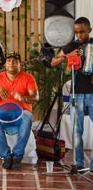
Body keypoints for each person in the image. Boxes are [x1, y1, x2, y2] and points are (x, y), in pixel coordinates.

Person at [50, 17, 93, 173]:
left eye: (82, 32)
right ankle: (79, 163)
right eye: (76, 32)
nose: (79, 35)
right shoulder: (71, 45)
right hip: (77, 92)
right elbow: (53, 62)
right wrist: (68, 55)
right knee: (78, 131)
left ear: (90, 30)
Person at [0, 52, 38, 169]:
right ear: (5, 64)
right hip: (2, 114)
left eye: (15, 61)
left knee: (27, 118)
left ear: (20, 64)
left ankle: (17, 156)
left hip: (23, 112)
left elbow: (35, 97)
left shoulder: (28, 77)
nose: (11, 63)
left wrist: (23, 98)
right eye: (9, 61)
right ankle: (6, 156)